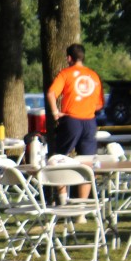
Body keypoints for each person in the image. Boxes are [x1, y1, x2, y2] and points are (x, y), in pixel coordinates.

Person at [46, 43, 105, 200]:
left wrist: (55, 113)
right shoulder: (93, 76)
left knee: (59, 158)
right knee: (87, 162)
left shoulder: (66, 74)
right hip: (90, 122)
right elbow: (100, 104)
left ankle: (62, 199)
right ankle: (82, 205)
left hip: (71, 120)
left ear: (69, 58)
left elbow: (51, 93)